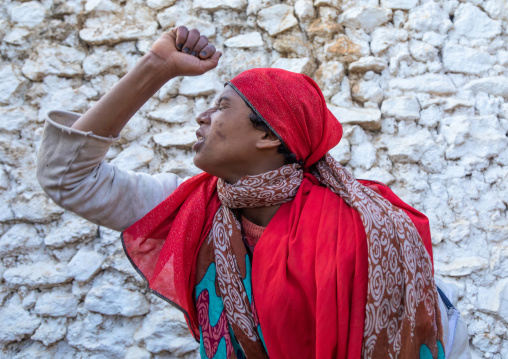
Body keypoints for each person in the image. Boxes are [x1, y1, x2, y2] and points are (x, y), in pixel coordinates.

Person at [37, 27, 470, 358]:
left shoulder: (362, 230)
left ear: (268, 135)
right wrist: (157, 66)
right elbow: (67, 177)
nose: (203, 116)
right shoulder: (195, 210)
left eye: (222, 106)